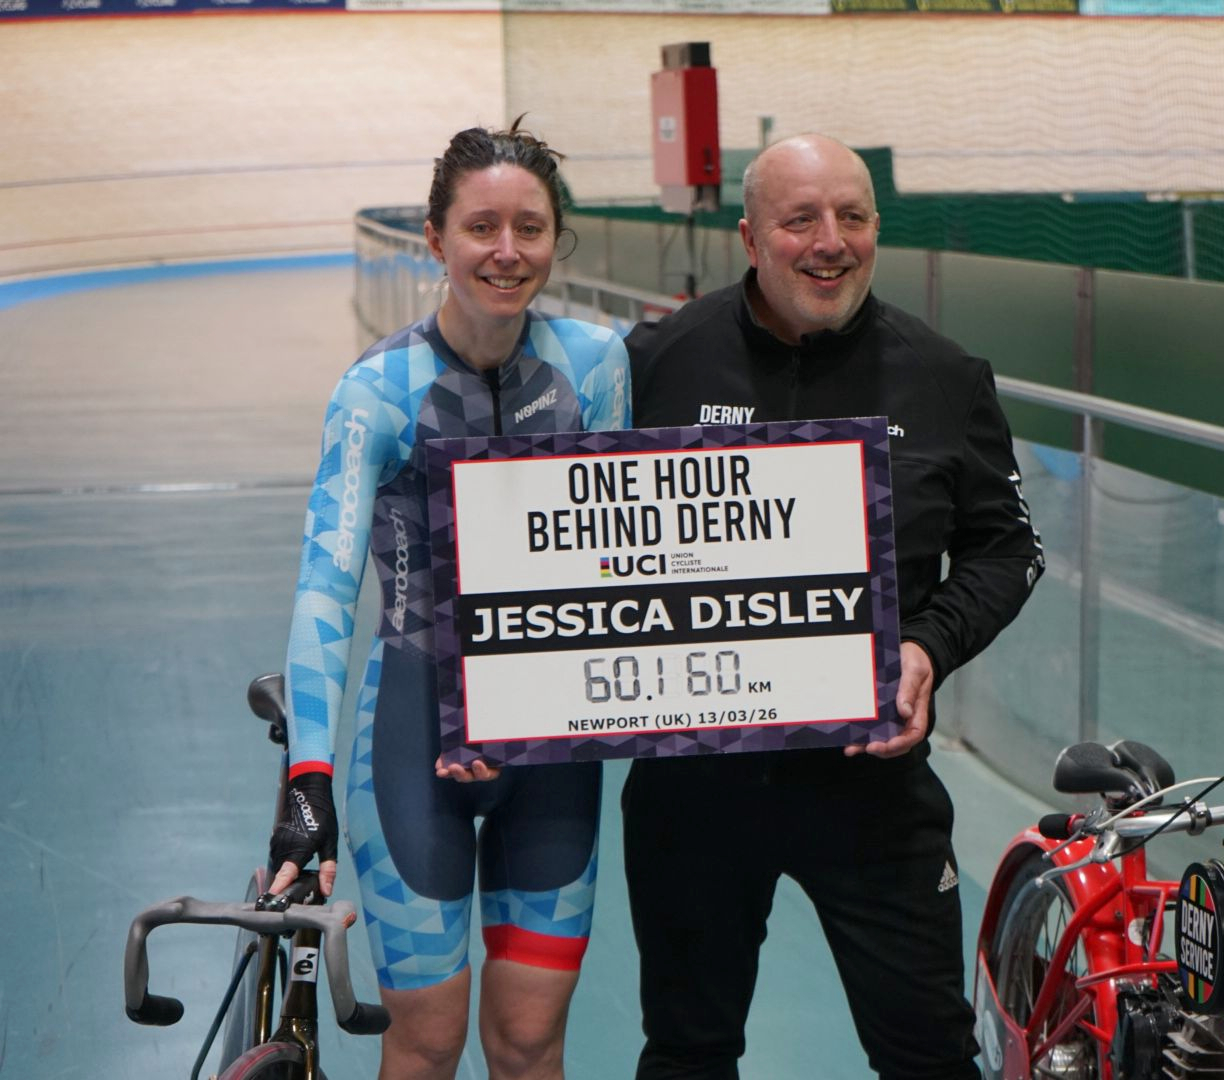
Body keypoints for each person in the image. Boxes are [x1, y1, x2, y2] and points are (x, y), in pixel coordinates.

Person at [621, 133, 1044, 1080]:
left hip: (870, 786)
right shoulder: (656, 363)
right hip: (695, 790)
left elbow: (1008, 545)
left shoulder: (942, 376)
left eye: (852, 217)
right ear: (749, 236)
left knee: (931, 1053)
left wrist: (929, 647)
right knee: (687, 1051)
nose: (830, 241)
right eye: (800, 218)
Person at [267, 121, 630, 1080]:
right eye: (480, 227)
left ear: (558, 239)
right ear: (436, 238)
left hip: (550, 751)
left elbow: (622, 561)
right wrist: (307, 776)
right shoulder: (378, 391)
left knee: (527, 1042)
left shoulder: (597, 365)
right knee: (425, 1045)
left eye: (530, 228)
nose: (507, 252)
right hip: (412, 737)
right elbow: (325, 589)